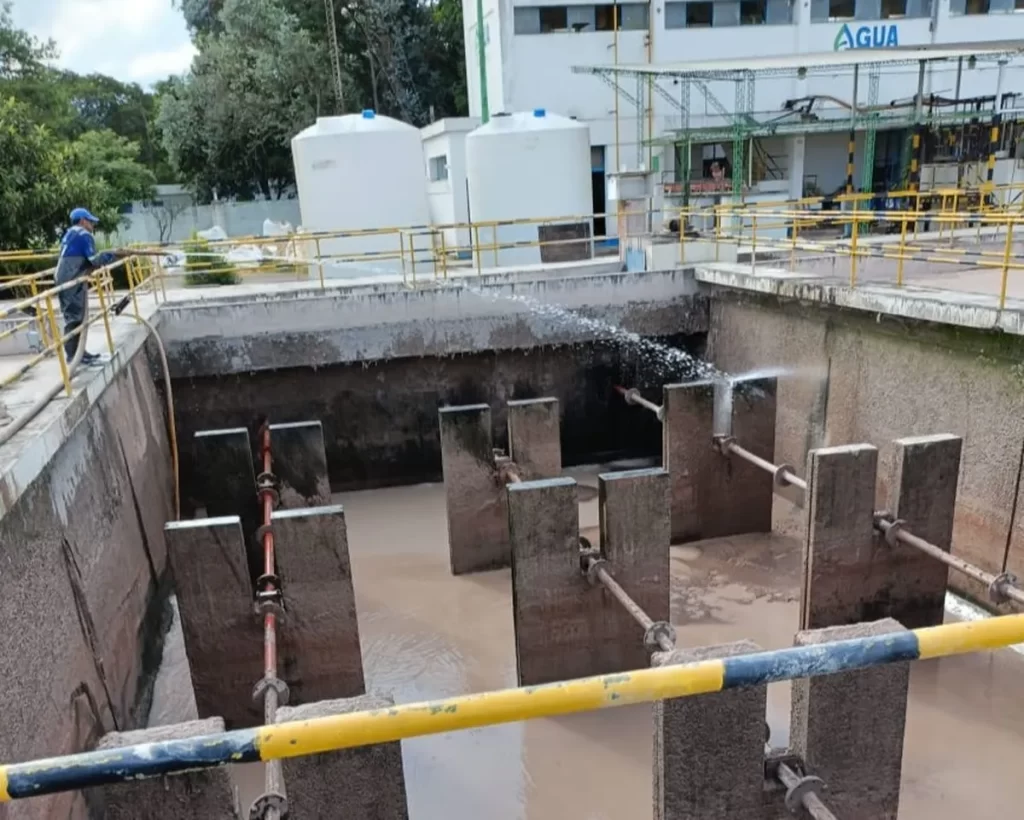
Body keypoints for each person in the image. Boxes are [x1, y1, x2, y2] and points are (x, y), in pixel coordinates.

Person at [55, 208, 123, 366]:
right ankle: (74, 355)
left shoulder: (70, 233)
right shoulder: (84, 235)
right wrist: (113, 254)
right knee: (74, 317)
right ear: (83, 221)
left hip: (66, 277)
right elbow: (94, 259)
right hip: (71, 279)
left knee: (75, 316)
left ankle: (79, 353)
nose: (93, 224)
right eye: (90, 221)